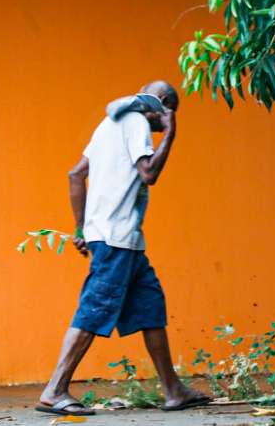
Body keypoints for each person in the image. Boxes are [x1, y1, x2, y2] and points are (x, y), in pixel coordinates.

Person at [35, 81, 211, 416]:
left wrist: (82, 228)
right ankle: (55, 389)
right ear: (161, 104)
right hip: (116, 238)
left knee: (150, 306)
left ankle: (173, 390)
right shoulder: (136, 122)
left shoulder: (108, 124)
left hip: (121, 238)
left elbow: (76, 175)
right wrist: (171, 133)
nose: (163, 124)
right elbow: (149, 174)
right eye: (169, 112)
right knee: (95, 308)